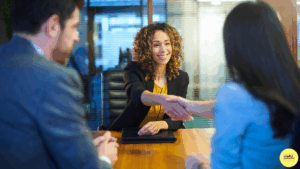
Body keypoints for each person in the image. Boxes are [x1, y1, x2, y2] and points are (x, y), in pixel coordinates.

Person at [166, 1, 300, 169]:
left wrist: (199, 165)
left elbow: (223, 166)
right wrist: (189, 106)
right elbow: (252, 109)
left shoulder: (234, 95)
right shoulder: (289, 86)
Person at [0, 0, 118, 168]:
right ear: (54, 25)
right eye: (74, 27)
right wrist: (104, 158)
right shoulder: (54, 79)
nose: (77, 37)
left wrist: (85, 148)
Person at [108, 23, 194, 135]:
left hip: (161, 135)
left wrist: (159, 125)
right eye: (156, 45)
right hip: (130, 133)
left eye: (167, 43)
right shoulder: (133, 69)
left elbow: (178, 119)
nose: (163, 50)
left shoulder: (181, 78)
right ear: (147, 49)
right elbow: (138, 95)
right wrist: (164, 99)